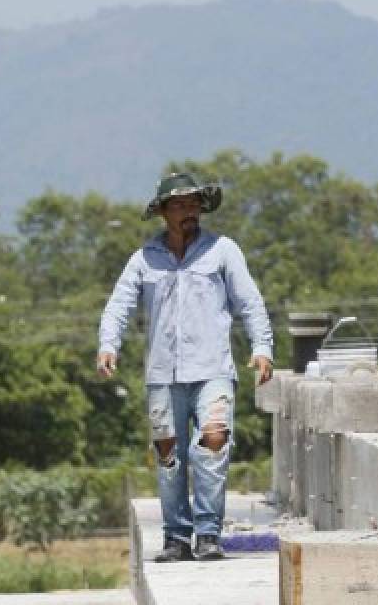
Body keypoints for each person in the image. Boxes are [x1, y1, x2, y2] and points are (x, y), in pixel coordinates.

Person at [96, 172, 274, 562]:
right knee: (169, 455)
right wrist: (108, 345)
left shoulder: (222, 251)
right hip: (163, 374)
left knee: (213, 443)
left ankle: (208, 533)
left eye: (194, 204)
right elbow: (119, 305)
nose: (189, 212)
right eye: (179, 205)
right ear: (163, 212)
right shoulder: (144, 259)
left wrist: (263, 347)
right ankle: (176, 536)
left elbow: (250, 302)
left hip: (212, 369)